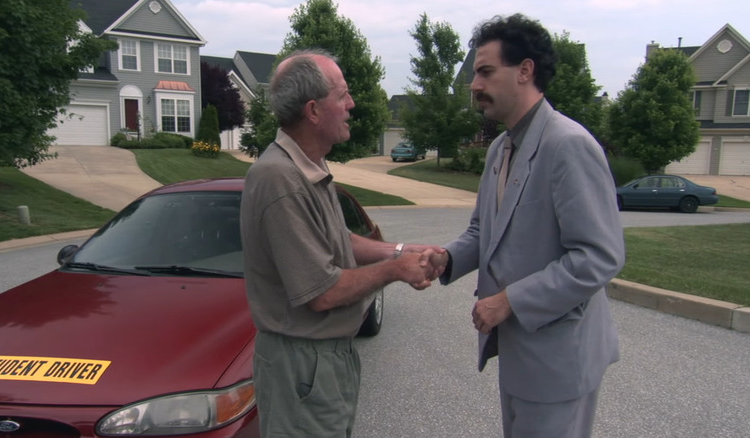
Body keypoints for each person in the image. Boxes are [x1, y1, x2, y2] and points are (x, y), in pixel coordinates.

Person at [428, 14, 625, 438]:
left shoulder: (569, 145)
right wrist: (445, 260)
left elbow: (599, 257)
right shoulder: (501, 147)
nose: (474, 85)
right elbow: (484, 233)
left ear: (525, 70)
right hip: (519, 355)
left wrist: (508, 301)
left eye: (484, 72)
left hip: (559, 361)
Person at [239, 49, 442, 438]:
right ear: (313, 111)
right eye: (343, 94)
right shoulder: (279, 179)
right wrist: (395, 270)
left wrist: (400, 251)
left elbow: (338, 239)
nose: (352, 104)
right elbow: (323, 293)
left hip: (326, 359)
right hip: (301, 363)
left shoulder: (309, 165)